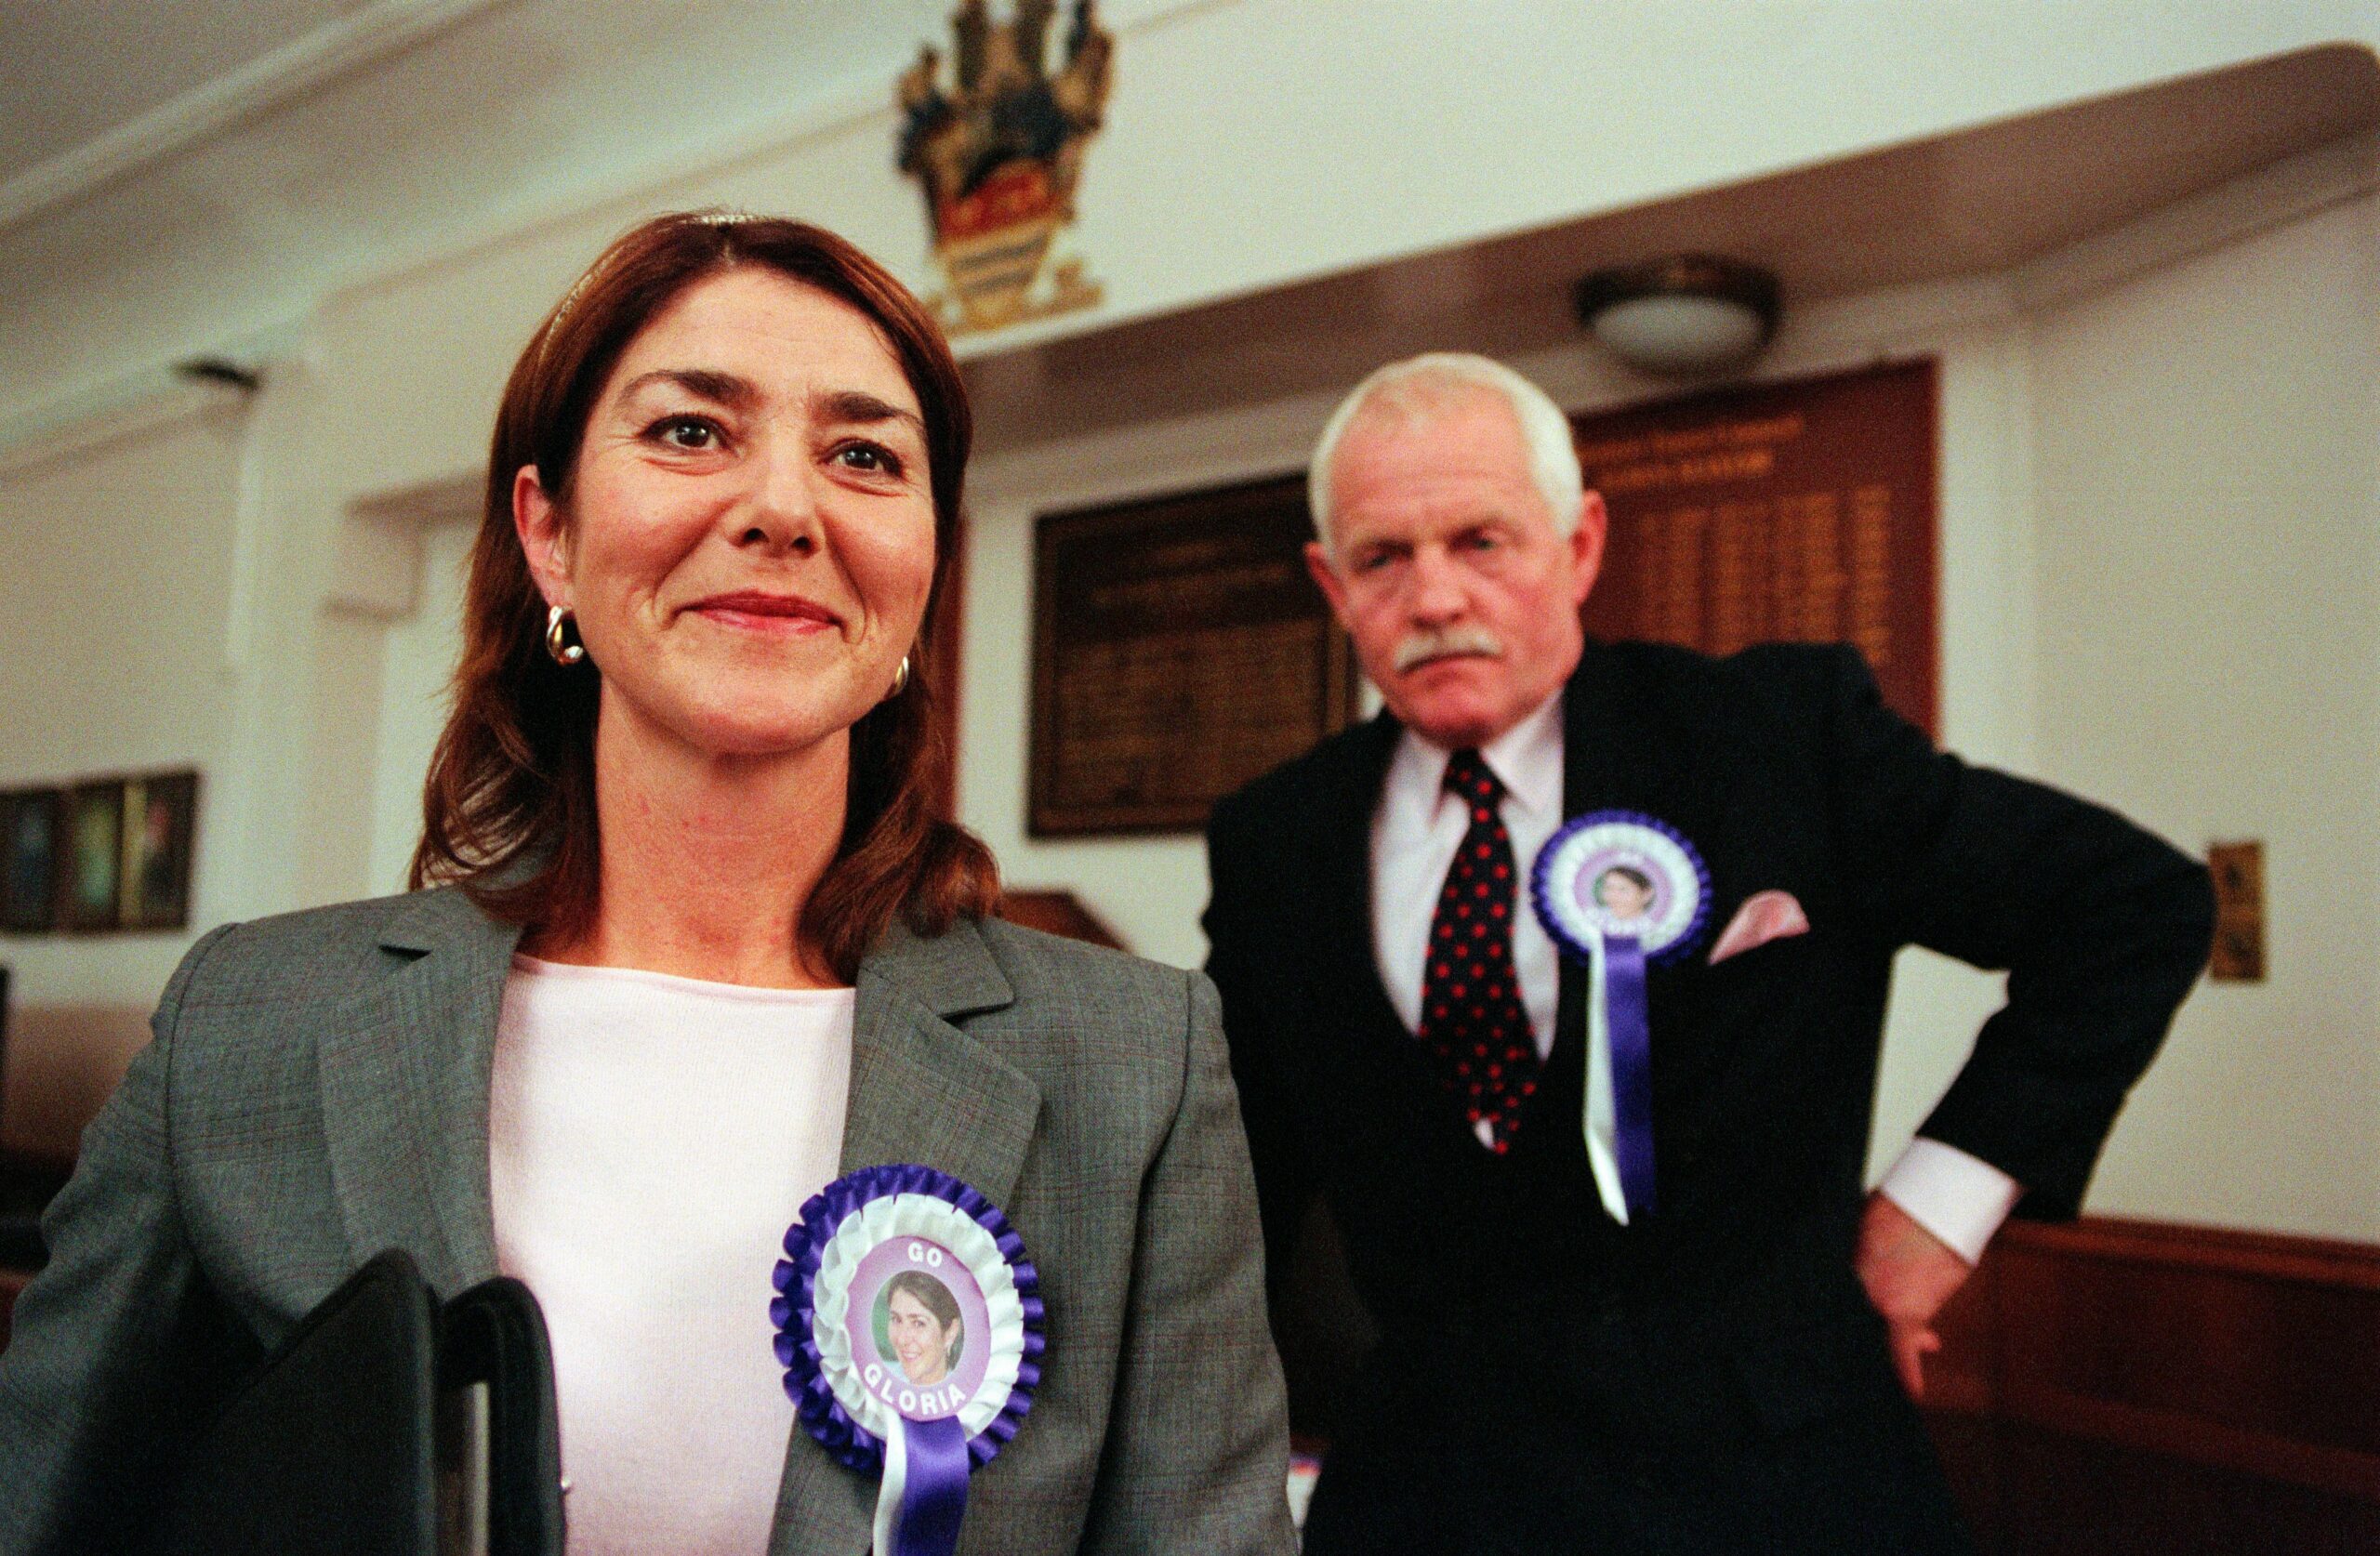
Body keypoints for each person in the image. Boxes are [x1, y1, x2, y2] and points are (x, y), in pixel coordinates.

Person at [0, 212, 1294, 1556]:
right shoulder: (252, 1023)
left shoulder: (1135, 1063)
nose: (784, 510)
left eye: (863, 455)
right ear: (549, 530)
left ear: (924, 565)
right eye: (691, 431)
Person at [1202, 352, 2214, 1555]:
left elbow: (2132, 903)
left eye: (1482, 540)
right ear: (1331, 580)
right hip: (1433, 1493)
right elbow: (1232, 1177)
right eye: (1384, 556)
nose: (1433, 597)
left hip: (1783, 1482)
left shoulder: (1780, 739)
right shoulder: (1276, 837)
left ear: (1578, 547)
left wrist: (1932, 1212)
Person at [884, 1271, 964, 1388]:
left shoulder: (973, 1398)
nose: (901, 1340)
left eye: (918, 1323)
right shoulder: (875, 1381)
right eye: (896, 1319)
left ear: (950, 1332)